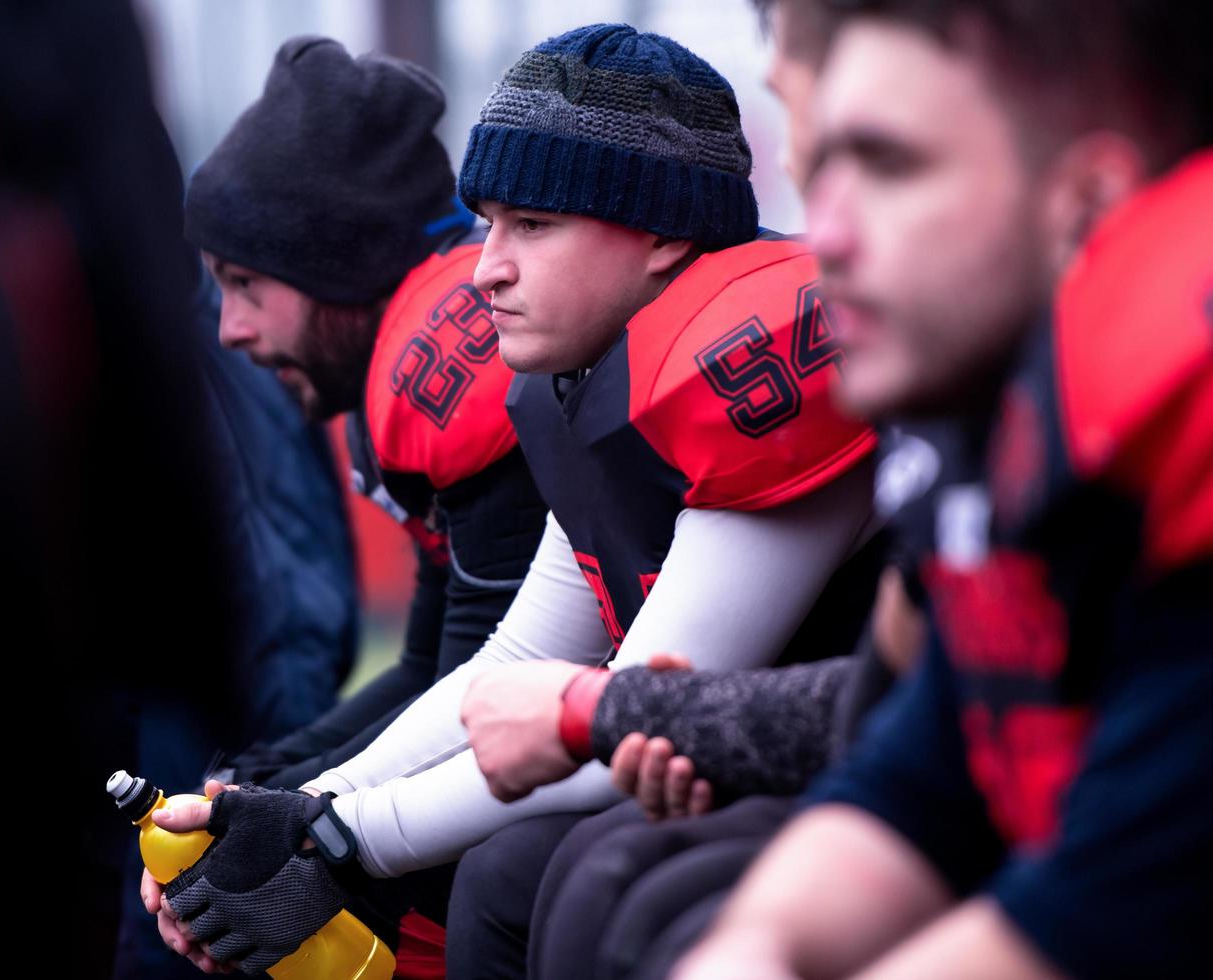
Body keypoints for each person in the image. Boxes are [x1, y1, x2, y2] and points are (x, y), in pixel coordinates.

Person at [146, 23, 881, 976]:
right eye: (489, 222)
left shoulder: (739, 364)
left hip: (888, 765)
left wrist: (341, 843)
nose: (488, 263)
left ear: (661, 231)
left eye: (532, 225)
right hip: (739, 763)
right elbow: (526, 656)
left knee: (555, 876)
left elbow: (648, 703)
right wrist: (306, 807)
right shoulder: (569, 384)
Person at [673, 2, 1213, 978]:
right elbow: (924, 777)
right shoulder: (998, 403)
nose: (823, 232)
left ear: (1087, 204)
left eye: (888, 165)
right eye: (825, 160)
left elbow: (1099, 918)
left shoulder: (1175, 415)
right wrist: (756, 940)